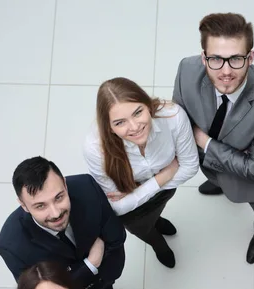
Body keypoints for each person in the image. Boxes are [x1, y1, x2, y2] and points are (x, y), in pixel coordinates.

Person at [173, 13, 254, 264]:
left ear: (251, 57)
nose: (226, 72)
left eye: (236, 59)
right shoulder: (186, 69)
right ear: (203, 56)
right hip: (210, 163)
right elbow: (177, 118)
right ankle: (220, 183)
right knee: (219, 178)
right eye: (215, 59)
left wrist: (203, 141)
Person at [0, 156, 136, 289]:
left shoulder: (86, 187)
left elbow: (117, 236)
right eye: (40, 206)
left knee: (105, 287)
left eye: (59, 197)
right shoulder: (12, 246)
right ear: (23, 205)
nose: (56, 213)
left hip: (107, 270)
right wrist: (90, 264)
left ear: (64, 183)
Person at [83, 77, 200, 268]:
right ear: (109, 127)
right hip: (135, 211)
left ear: (148, 106)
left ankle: (158, 221)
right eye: (120, 123)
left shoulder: (172, 116)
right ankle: (159, 246)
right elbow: (118, 207)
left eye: (138, 112)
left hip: (164, 189)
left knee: (156, 213)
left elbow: (190, 166)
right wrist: (162, 177)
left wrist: (137, 190)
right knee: (145, 230)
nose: (135, 127)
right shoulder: (95, 148)